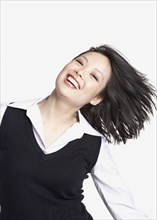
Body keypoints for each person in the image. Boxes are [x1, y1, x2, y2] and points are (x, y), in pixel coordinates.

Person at [0, 44, 156, 220]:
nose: (80, 71)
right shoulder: (6, 115)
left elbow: (124, 208)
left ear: (96, 98)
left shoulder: (93, 143)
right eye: (80, 62)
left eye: (94, 76)